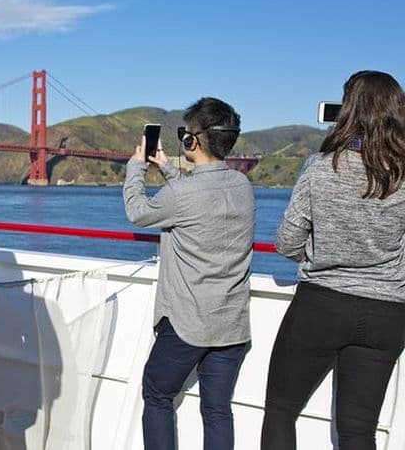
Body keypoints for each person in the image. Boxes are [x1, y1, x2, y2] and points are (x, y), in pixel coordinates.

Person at [260, 71, 405, 450]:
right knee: (359, 432)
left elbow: (287, 242)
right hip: (387, 313)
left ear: (348, 111)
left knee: (281, 410)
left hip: (322, 304)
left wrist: (322, 253)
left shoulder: (322, 167)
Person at [122, 97, 254, 450]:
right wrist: (167, 168)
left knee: (157, 394)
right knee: (217, 410)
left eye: (185, 133)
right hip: (232, 326)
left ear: (193, 141)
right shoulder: (244, 187)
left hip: (187, 325)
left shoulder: (180, 194)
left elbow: (138, 212)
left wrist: (136, 166)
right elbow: (200, 194)